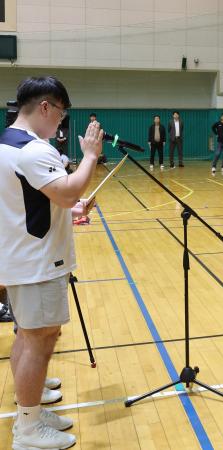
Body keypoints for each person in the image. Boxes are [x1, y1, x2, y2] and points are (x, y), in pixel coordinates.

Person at [0, 76, 103, 449]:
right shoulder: (34, 150)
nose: (61, 120)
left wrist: (71, 207)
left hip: (20, 259)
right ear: (45, 106)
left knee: (28, 337)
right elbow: (66, 190)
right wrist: (91, 155)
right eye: (60, 112)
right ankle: (27, 432)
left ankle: (31, 411)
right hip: (36, 262)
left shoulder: (8, 143)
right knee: (38, 342)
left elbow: (37, 198)